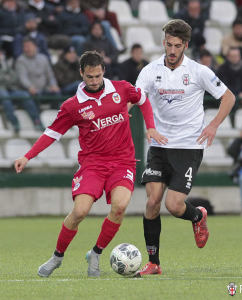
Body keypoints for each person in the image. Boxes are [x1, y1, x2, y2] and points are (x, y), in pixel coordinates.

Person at [14, 50, 167, 278]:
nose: (94, 81)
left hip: (122, 161)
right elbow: (52, 133)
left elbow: (143, 101)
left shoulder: (121, 89)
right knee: (80, 211)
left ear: (103, 71)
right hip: (92, 164)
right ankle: (57, 256)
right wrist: (27, 156)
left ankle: (96, 253)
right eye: (89, 77)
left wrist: (151, 126)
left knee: (120, 206)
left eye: (97, 76)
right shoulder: (73, 105)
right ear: (81, 74)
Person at [134, 19, 236, 276]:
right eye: (168, 44)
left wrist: (213, 125)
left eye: (177, 46)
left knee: (174, 205)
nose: (171, 50)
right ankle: (154, 263)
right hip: (159, 145)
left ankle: (197, 216)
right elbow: (135, 99)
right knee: (152, 202)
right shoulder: (149, 71)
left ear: (185, 46)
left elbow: (228, 97)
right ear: (163, 42)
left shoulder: (199, 71)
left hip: (188, 146)